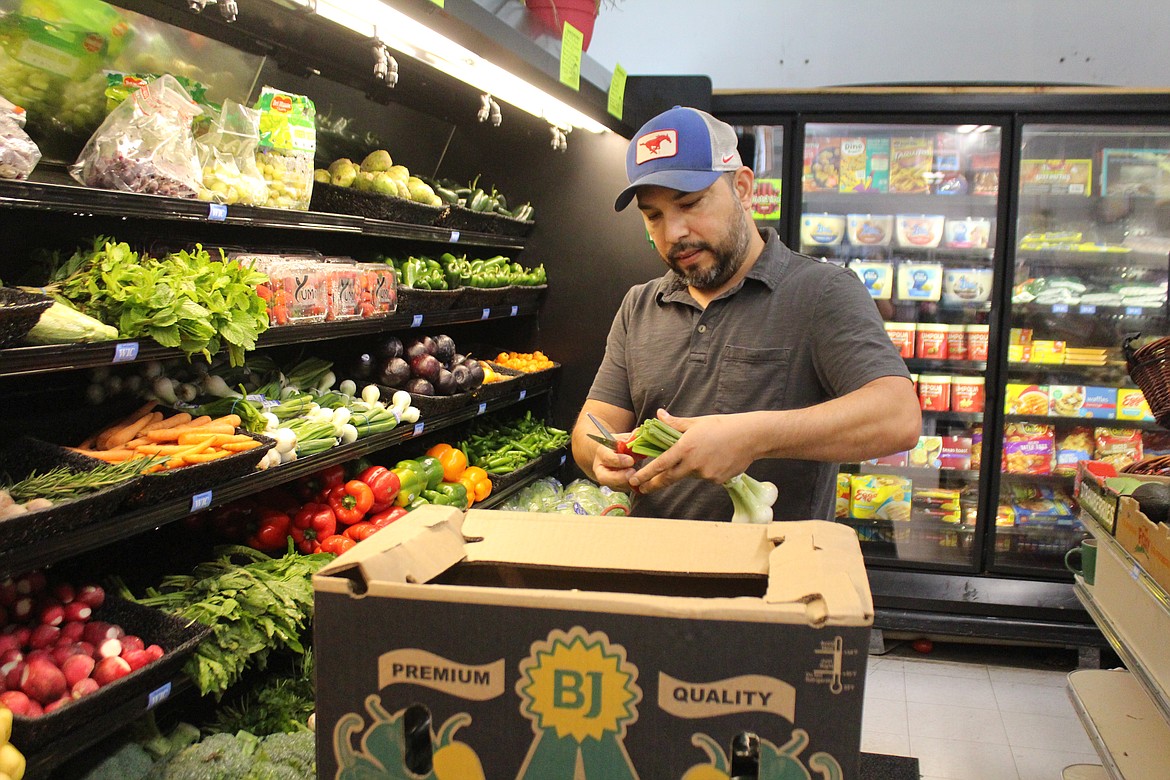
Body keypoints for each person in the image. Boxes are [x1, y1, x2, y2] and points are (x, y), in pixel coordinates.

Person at [570, 106, 922, 522]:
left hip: (776, 573)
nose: (673, 233)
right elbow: (590, 428)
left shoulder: (822, 292)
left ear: (742, 188)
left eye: (691, 203)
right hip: (652, 569)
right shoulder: (640, 305)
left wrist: (751, 437)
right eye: (654, 216)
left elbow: (898, 417)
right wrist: (603, 455)